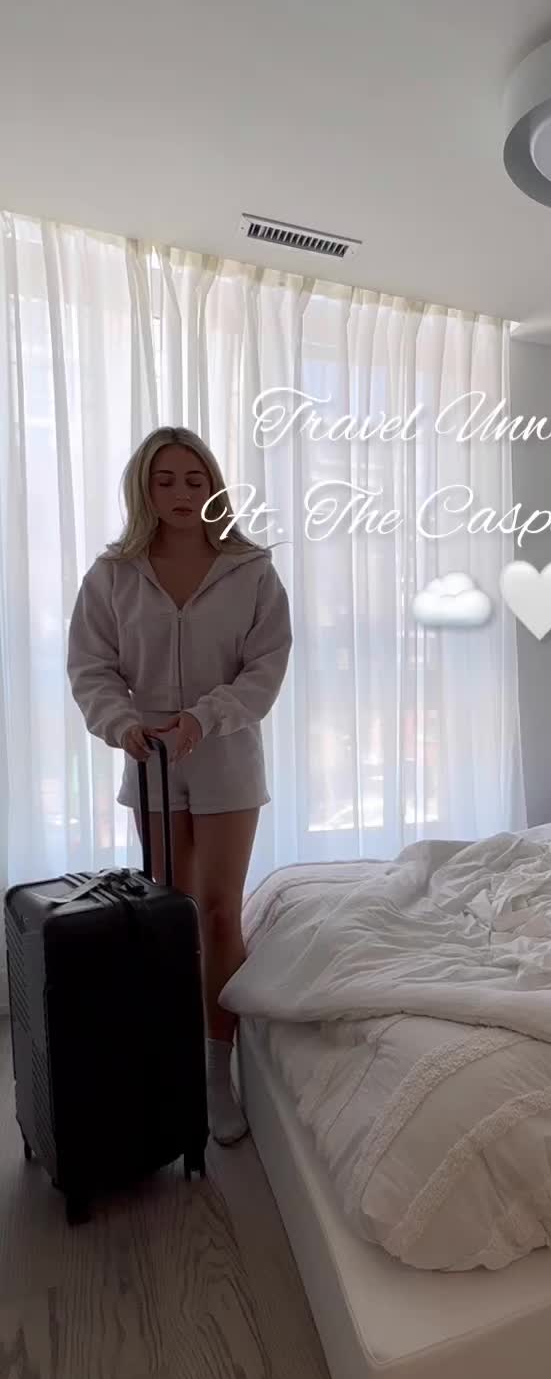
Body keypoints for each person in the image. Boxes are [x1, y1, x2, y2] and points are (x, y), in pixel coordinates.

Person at [67, 425, 292, 1143]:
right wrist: (121, 725)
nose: (181, 493)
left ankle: (218, 1072)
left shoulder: (250, 568)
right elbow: (92, 666)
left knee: (220, 913)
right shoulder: (113, 573)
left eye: (194, 480)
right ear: (144, 488)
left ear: (213, 486)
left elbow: (266, 666)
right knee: (172, 914)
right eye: (164, 480)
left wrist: (206, 717)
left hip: (226, 754)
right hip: (152, 758)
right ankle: (173, 1064)